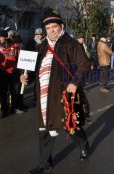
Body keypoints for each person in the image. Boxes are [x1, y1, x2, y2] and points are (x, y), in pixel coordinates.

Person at [20, 9, 91, 173]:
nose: (51, 30)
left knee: (70, 126)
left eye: (54, 27)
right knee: (44, 129)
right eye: (48, 28)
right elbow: (36, 69)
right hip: (44, 95)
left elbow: (84, 65)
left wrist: (74, 82)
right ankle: (45, 164)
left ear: (61, 26)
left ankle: (83, 144)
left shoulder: (71, 44)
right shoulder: (42, 46)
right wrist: (27, 79)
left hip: (64, 95)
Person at [0, 29, 23, 117]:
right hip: (2, 72)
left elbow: (20, 58)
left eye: (1, 37)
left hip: (14, 72)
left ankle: (13, 108)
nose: (0, 39)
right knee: (3, 92)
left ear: (6, 37)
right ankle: (4, 110)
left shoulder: (15, 45)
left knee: (14, 92)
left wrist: (21, 72)